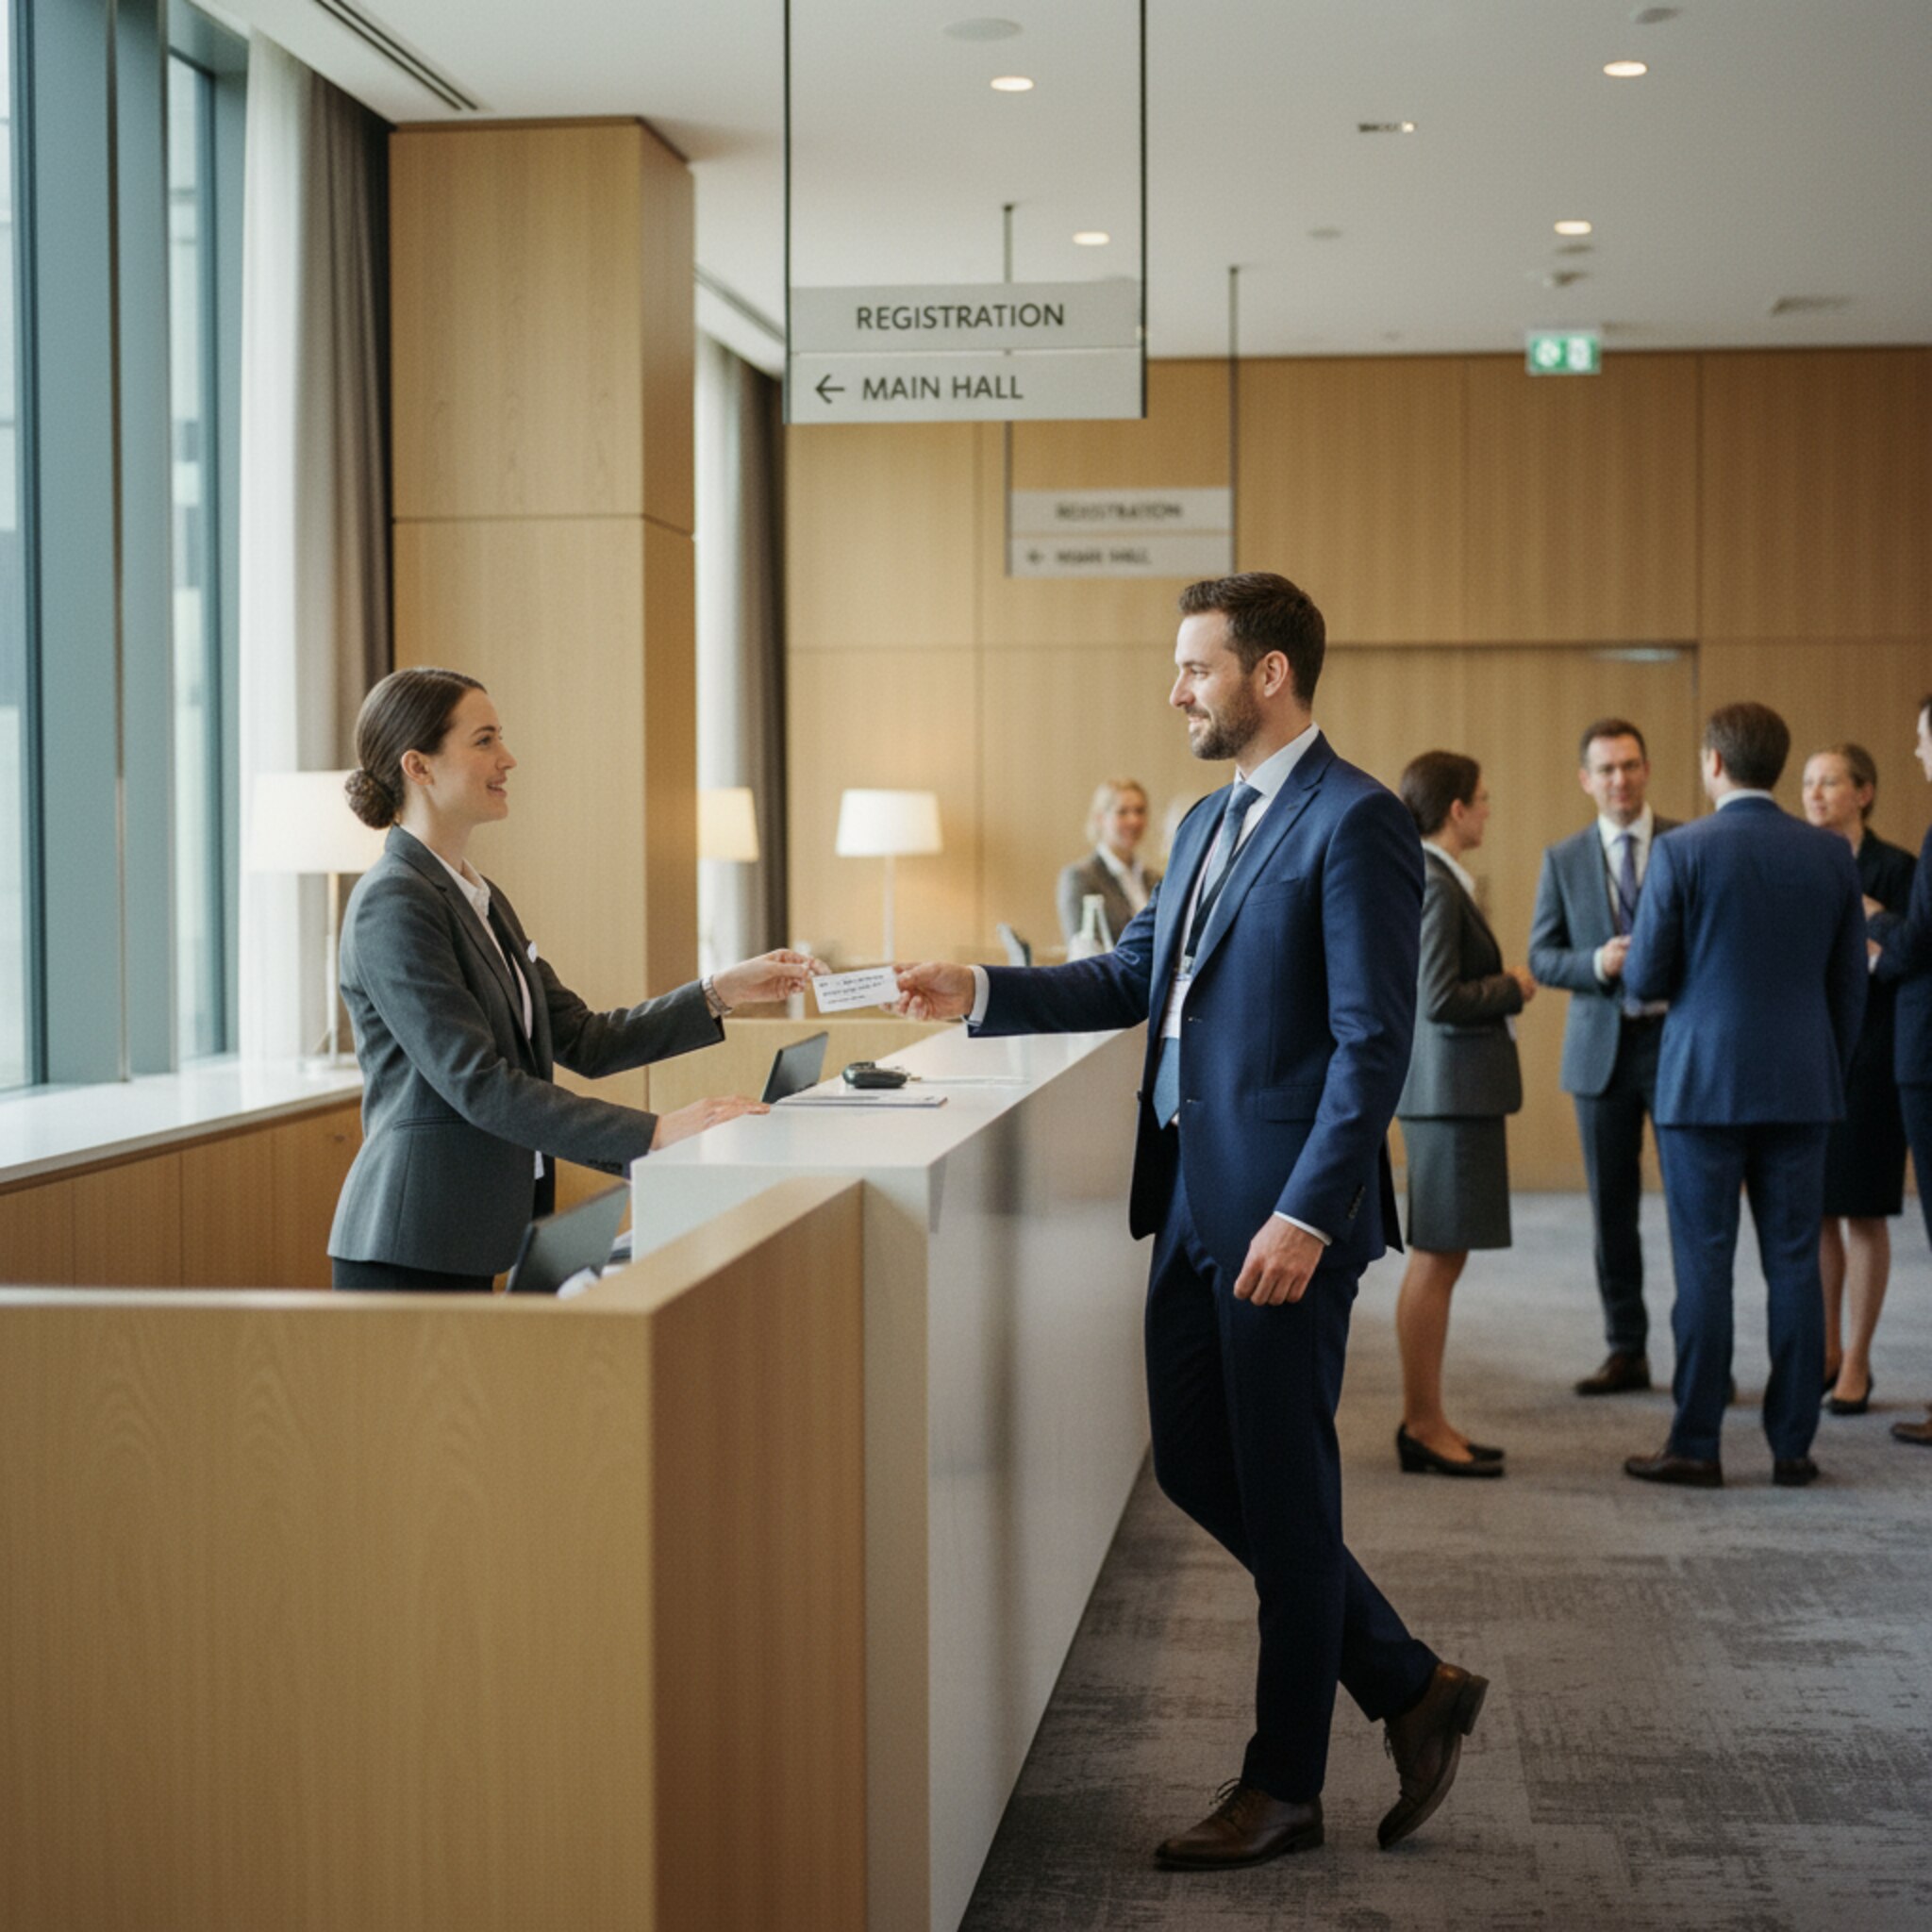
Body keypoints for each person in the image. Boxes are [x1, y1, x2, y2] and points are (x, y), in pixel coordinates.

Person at [896, 574, 1486, 1869]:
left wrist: (1308, 1215)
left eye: (1196, 669)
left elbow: (1370, 1047)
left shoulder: (1356, 822)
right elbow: (1131, 974)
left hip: (1282, 1217)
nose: (1176, 693)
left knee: (1284, 1485)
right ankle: (1406, 1681)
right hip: (1189, 1201)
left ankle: (1283, 1786)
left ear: (1269, 675)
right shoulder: (1215, 822)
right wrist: (981, 986)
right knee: (1199, 1466)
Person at [327, 667, 821, 1291]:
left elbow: (585, 1038)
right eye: (483, 741)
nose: (507, 758)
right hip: (411, 1240)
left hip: (478, 1231)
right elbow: (477, 1084)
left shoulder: (477, 895)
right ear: (417, 766)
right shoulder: (393, 903)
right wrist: (656, 1132)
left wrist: (722, 990)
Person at [1621, 703, 1866, 1489]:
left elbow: (1647, 977)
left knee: (1706, 1268)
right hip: (1804, 1085)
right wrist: (1824, 1062)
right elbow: (1849, 989)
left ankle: (1697, 1443)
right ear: (1780, 765)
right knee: (1795, 1264)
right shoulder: (1830, 856)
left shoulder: (1681, 849)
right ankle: (1793, 1446)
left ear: (1714, 765)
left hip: (1701, 1089)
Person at [1528, 720, 1679, 1396]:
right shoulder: (1562, 859)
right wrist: (1595, 962)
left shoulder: (1687, 843)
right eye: (1606, 770)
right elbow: (1541, 955)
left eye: (1630, 766)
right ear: (1587, 780)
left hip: (1680, 1047)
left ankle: (1704, 1358)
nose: (1620, 780)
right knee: (1611, 1211)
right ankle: (1628, 1350)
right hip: (1602, 1054)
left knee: (1694, 1210)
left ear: (1647, 770)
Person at [1391, 753, 1532, 1478]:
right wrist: (1510, 986)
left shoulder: (1439, 878)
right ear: (1455, 809)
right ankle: (1422, 1424)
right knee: (1438, 1256)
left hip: (1455, 1095)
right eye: (1482, 799)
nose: (1487, 810)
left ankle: (1430, 1417)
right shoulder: (1435, 884)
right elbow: (1438, 998)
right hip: (1446, 1096)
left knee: (1444, 1256)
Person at [1801, 743, 1914, 1415]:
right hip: (1813, 1051)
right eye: (1809, 783)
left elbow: (1909, 958)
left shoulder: (1897, 869)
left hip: (1874, 1053)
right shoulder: (1800, 860)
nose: (1815, 794)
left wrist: (1872, 941)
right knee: (1817, 1211)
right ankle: (1826, 1348)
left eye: (1830, 782)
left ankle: (1861, 1360)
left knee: (1865, 1209)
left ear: (1864, 793)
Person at [1867, 695, 1932, 1448]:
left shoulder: (1914, 853)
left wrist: (1874, 920)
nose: (1918, 753)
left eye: (1920, 740)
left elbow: (1919, 944)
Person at [1057, 777, 1161, 948]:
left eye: (1140, 811)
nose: (1134, 820)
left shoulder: (1154, 878)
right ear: (1100, 818)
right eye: (1122, 812)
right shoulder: (1080, 877)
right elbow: (1083, 952)